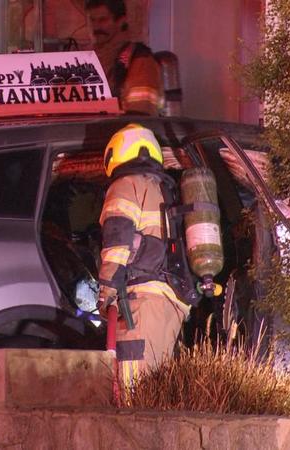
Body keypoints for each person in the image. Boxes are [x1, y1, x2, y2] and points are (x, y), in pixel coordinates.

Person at [97, 124, 189, 395]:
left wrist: (106, 294)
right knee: (158, 385)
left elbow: (117, 240)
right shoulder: (164, 190)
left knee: (134, 389)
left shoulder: (124, 185)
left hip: (142, 303)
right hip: (168, 300)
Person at [85, 0, 163, 115]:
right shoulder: (87, 57)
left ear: (121, 21)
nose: (96, 27)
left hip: (124, 130)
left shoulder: (139, 60)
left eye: (103, 20)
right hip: (90, 130)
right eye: (92, 20)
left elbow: (140, 114)